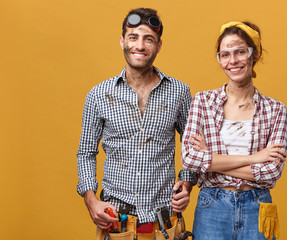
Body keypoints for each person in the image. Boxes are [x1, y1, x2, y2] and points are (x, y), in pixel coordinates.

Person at [77, 8, 197, 239]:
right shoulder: (98, 95)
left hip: (165, 222)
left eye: (148, 39)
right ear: (122, 41)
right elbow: (86, 152)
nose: (140, 46)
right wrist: (91, 200)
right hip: (117, 220)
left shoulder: (179, 92)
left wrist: (187, 181)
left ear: (159, 45)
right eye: (133, 37)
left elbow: (192, 144)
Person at [181, 21, 287, 240]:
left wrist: (210, 163)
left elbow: (271, 174)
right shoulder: (203, 101)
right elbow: (190, 158)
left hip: (257, 204)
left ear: (254, 55)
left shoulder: (275, 110)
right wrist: (255, 158)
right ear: (219, 58)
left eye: (240, 52)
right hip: (212, 205)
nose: (233, 61)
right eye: (225, 54)